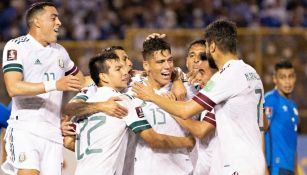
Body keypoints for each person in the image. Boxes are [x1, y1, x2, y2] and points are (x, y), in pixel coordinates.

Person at [132, 19, 265, 175]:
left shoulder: (225, 78)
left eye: (205, 49)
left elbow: (187, 111)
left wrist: (153, 97)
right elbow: (264, 123)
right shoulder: (251, 72)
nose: (200, 57)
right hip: (252, 161)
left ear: (212, 46)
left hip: (236, 163)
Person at [62, 52, 195, 175]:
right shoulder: (122, 102)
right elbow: (154, 140)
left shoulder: (86, 104)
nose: (125, 71)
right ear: (103, 77)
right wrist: (187, 141)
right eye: (118, 69)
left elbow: (68, 141)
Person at [1, 2, 86, 175]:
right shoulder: (17, 46)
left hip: (53, 134)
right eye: (53, 18)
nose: (59, 23)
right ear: (37, 22)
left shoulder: (60, 52)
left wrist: (128, 74)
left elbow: (82, 82)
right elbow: (13, 87)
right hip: (25, 128)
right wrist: (54, 85)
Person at [264, 60, 299, 175]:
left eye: (290, 76)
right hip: (276, 166)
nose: (287, 82)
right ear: (275, 79)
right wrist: (264, 167)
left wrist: (296, 170)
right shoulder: (270, 99)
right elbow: (261, 131)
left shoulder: (293, 106)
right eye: (283, 77)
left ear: (295, 78)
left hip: (290, 168)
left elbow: (293, 142)